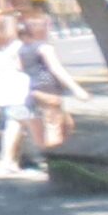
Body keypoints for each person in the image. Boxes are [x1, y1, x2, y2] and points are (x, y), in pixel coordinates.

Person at [20, 13, 82, 151]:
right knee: (54, 127)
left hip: (31, 90)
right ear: (42, 29)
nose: (50, 29)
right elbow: (56, 69)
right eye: (48, 26)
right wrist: (76, 89)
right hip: (48, 89)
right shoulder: (44, 48)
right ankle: (55, 159)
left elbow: (20, 68)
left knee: (63, 125)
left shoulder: (23, 48)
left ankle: (48, 156)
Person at [0, 11, 32, 172]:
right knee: (15, 123)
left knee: (14, 122)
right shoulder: (17, 46)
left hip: (2, 86)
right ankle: (8, 159)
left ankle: (13, 159)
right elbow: (21, 66)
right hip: (17, 86)